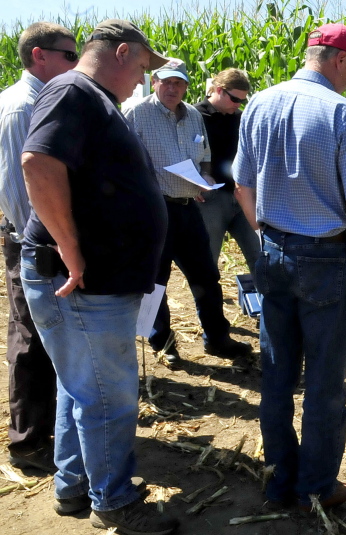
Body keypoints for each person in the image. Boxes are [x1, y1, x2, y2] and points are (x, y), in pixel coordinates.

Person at [19, 19, 178, 534]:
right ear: (122, 52)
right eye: (143, 68)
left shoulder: (88, 97)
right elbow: (38, 162)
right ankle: (115, 502)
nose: (142, 80)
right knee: (109, 396)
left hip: (92, 282)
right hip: (86, 284)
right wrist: (71, 250)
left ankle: (73, 486)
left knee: (81, 386)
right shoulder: (73, 92)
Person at [233, 22, 346, 511]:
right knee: (323, 381)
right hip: (324, 258)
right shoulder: (345, 115)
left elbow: (242, 187)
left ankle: (278, 481)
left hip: (270, 250)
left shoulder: (258, 102)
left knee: (275, 372)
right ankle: (315, 487)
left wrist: (268, 233)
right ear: (340, 60)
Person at [123, 58, 251, 366]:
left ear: (186, 86)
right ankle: (163, 343)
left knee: (206, 275)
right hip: (155, 209)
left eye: (178, 83)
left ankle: (217, 339)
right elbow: (123, 162)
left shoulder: (193, 115)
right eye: (166, 82)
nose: (172, 88)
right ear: (154, 82)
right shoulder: (136, 114)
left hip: (187, 207)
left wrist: (205, 176)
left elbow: (204, 154)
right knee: (156, 281)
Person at [0, 21, 78, 475]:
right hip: (31, 242)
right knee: (30, 338)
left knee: (43, 335)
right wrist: (44, 241)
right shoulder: (22, 106)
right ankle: (28, 441)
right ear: (39, 56)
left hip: (42, 239)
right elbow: (16, 190)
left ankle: (43, 427)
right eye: (69, 56)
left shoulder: (40, 100)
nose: (75, 64)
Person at [194, 69, 259, 273]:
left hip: (242, 196)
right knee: (207, 262)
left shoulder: (241, 118)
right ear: (219, 90)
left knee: (260, 257)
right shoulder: (195, 116)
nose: (238, 104)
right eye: (234, 99)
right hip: (211, 199)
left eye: (242, 100)